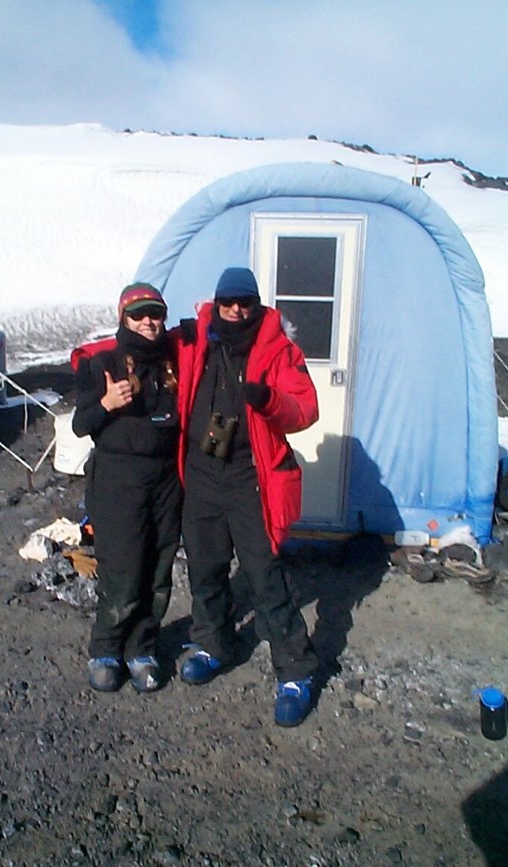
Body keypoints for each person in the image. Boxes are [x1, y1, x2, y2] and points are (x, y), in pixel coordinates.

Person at [176, 267, 320, 726]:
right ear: (216, 303)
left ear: (256, 304)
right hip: (201, 473)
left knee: (264, 573)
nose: (237, 309)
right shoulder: (197, 340)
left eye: (245, 302)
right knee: (205, 566)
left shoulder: (279, 349)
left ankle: (296, 671)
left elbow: (306, 409)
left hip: (248, 476)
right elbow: (136, 345)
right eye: (229, 301)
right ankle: (211, 644)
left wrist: (270, 401)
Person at [71, 283, 180, 694]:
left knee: (158, 566)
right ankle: (105, 648)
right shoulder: (102, 363)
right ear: (124, 318)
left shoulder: (172, 362)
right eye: (139, 315)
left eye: (155, 314)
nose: (149, 322)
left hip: (166, 480)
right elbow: (81, 425)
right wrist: (106, 405)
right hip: (119, 480)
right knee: (122, 568)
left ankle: (142, 648)